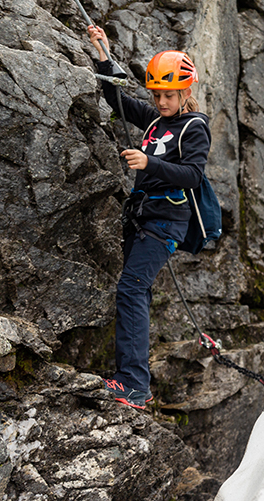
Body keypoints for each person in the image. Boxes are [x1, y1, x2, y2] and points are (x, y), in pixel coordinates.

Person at [89, 25, 211, 409]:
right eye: (157, 95)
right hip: (142, 217)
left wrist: (150, 162)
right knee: (133, 291)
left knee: (130, 290)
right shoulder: (156, 121)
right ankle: (130, 378)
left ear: (185, 92)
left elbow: (193, 174)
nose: (161, 102)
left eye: (169, 95)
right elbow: (116, 98)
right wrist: (103, 54)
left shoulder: (194, 126)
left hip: (166, 221)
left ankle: (135, 385)